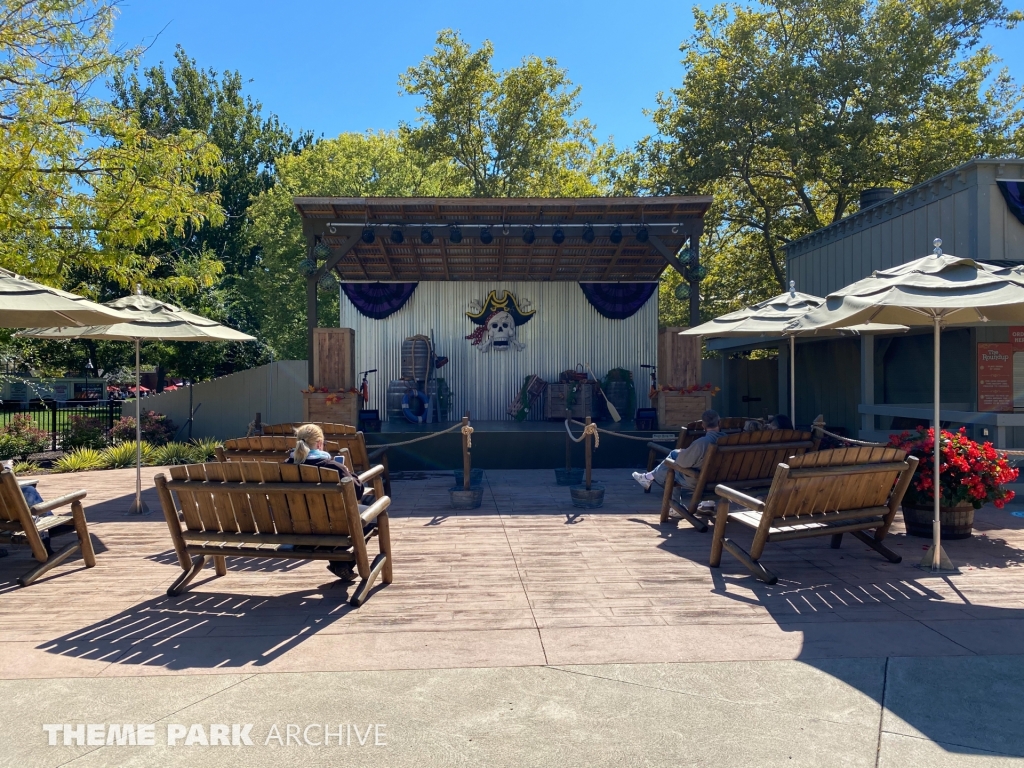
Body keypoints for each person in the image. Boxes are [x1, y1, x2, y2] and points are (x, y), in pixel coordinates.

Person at [285, 424, 368, 581]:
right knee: (370, 516)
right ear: (319, 443)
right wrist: (348, 472)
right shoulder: (332, 467)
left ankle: (340, 564)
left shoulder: (285, 467)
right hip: (333, 530)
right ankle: (344, 562)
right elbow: (357, 492)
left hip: (297, 533)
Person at [633, 410, 723, 516]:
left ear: (703, 425)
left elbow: (683, 463)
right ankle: (708, 504)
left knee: (672, 468)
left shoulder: (701, 443)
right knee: (675, 455)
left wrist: (682, 453)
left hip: (699, 481)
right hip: (723, 480)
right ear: (719, 422)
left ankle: (651, 480)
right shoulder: (729, 440)